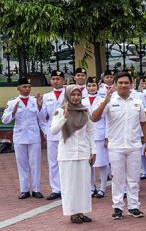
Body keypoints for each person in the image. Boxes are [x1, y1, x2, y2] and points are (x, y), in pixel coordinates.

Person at [90, 72, 146, 219]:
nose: (123, 85)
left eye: (126, 83)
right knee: (117, 178)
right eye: (120, 83)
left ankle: (133, 206)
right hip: (116, 146)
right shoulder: (109, 101)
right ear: (115, 85)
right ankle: (117, 207)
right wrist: (105, 102)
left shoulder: (137, 102)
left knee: (133, 178)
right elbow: (94, 118)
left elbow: (144, 123)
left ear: (131, 85)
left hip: (134, 146)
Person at [49, 85, 95, 223]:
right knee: (69, 185)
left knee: (83, 184)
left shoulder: (85, 111)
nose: (75, 97)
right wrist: (64, 117)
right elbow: (53, 131)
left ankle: (81, 211)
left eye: (78, 95)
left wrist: (93, 151)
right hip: (67, 154)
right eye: (73, 95)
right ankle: (72, 213)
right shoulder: (60, 110)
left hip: (83, 152)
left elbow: (90, 133)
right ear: (68, 96)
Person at [3, 77, 43, 199]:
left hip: (34, 135)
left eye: (29, 87)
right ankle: (24, 189)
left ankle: (36, 189)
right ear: (18, 88)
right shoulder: (12, 102)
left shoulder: (34, 101)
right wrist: (13, 113)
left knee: (35, 163)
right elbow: (4, 120)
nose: (27, 89)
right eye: (24, 87)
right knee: (22, 163)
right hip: (20, 136)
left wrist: (40, 107)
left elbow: (42, 118)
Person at [39, 70, 67, 200]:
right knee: (53, 163)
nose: (56, 81)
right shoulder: (46, 97)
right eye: (54, 79)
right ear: (50, 81)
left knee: (66, 161)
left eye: (59, 79)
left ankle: (67, 188)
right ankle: (56, 189)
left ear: (64, 81)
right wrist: (46, 131)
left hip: (67, 133)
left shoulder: (69, 93)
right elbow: (42, 118)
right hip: (51, 134)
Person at [83, 78, 109, 198]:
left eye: (94, 85)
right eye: (89, 85)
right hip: (87, 135)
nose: (91, 87)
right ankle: (91, 187)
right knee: (89, 163)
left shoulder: (103, 100)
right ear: (86, 87)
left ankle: (102, 188)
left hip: (100, 135)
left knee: (102, 163)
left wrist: (107, 137)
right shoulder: (82, 101)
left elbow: (108, 120)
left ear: (97, 87)